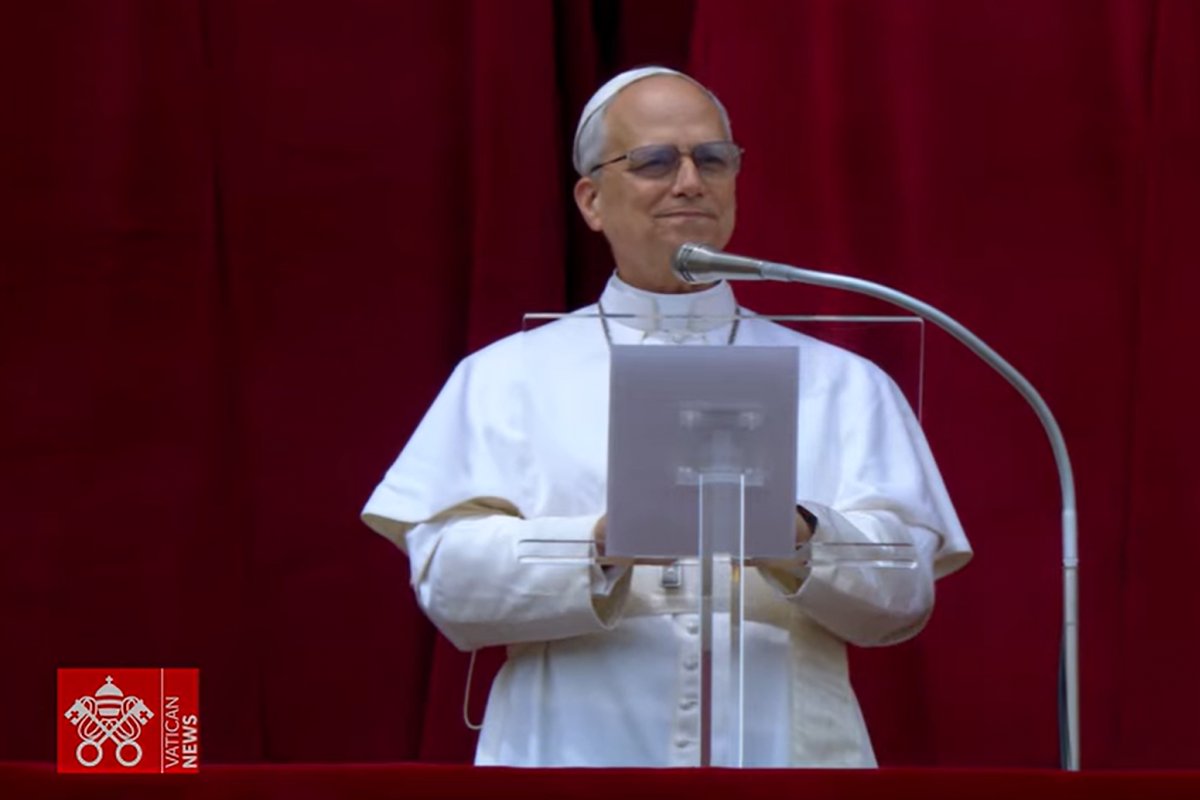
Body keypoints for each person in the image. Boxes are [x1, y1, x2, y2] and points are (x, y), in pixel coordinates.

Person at [362, 66, 972, 767]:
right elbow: (448, 583)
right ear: (591, 200)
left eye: (712, 158)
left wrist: (797, 537)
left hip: (789, 755)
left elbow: (904, 597)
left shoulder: (843, 383)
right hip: (569, 751)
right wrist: (601, 542)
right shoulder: (503, 377)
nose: (689, 181)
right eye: (655, 160)